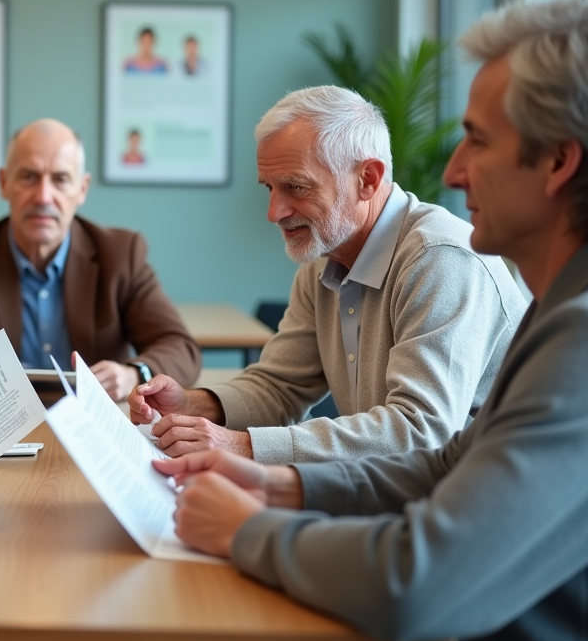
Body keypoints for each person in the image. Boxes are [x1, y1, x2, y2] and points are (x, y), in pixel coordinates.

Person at [154, 0, 588, 641]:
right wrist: (272, 477)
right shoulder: (551, 309)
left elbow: (421, 564)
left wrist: (250, 526)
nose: (451, 171)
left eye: (477, 139)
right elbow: (447, 462)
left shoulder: (528, 311)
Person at [130, 85, 526, 463]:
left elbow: (419, 431)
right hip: (403, 494)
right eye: (269, 188)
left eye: (295, 187)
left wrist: (243, 445)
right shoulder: (325, 257)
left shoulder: (440, 259)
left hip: (488, 507)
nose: (274, 212)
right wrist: (193, 403)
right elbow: (279, 387)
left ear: (367, 179)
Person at [0, 118, 200, 400]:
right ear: (4, 183)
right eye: (29, 177)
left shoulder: (121, 255)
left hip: (90, 427)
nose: (43, 196)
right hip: (2, 427)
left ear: (81, 189)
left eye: (60, 179)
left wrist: (133, 374)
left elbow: (180, 348)